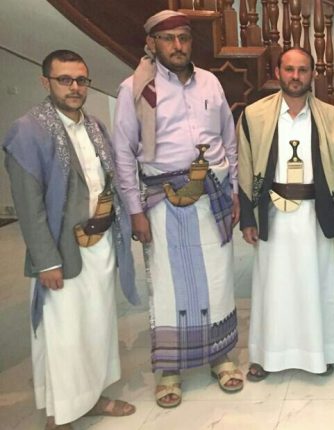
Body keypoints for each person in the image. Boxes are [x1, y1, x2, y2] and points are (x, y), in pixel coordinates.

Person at [112, 10, 243, 408]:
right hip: (162, 198)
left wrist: (233, 190)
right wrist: (135, 210)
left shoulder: (210, 82)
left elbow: (229, 140)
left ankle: (221, 357)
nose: (178, 45)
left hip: (212, 195)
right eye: (168, 39)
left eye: (184, 38)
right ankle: (170, 371)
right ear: (151, 43)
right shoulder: (134, 89)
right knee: (170, 285)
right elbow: (123, 154)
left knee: (217, 279)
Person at [3, 49, 139, 430]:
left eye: (81, 80)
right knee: (64, 335)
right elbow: (28, 206)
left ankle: (92, 398)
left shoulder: (94, 126)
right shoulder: (28, 131)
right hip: (61, 252)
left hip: (99, 244)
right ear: (45, 82)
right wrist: (46, 261)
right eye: (65, 79)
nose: (75, 87)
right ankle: (60, 416)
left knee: (97, 326)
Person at [236, 47, 334, 379]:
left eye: (303, 70)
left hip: (316, 216)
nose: (295, 76)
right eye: (289, 69)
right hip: (273, 215)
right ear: (278, 72)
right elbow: (244, 168)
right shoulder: (255, 115)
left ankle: (320, 354)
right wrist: (247, 218)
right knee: (272, 288)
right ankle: (266, 356)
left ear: (313, 74)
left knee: (316, 286)